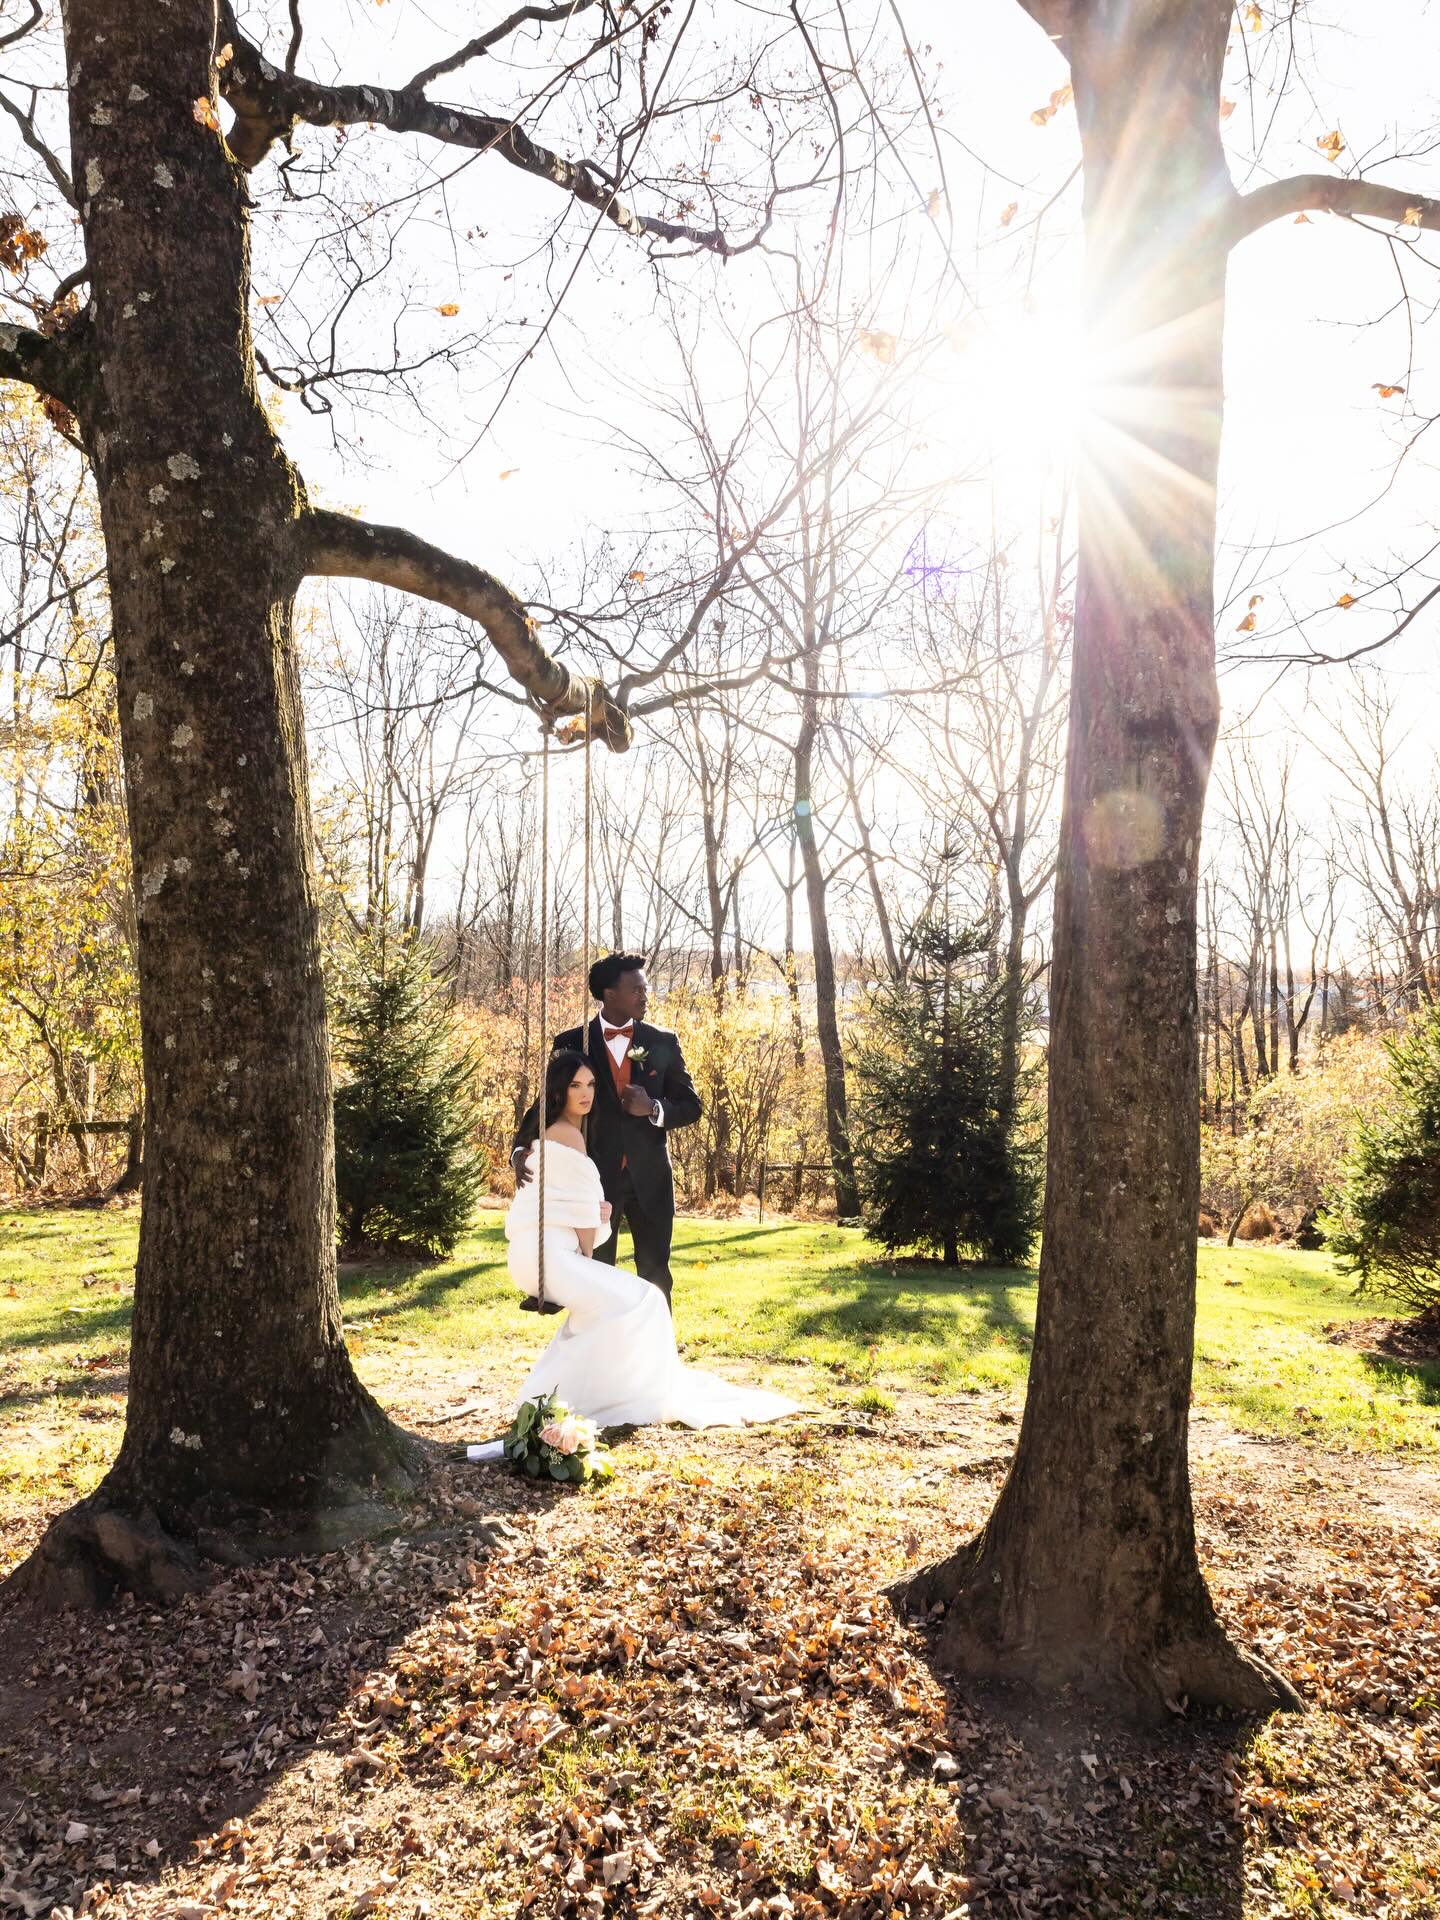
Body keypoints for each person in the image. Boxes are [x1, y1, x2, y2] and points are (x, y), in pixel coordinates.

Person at [507, 1051, 801, 1428]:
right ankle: (623, 1394)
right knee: (646, 1301)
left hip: (533, 1255)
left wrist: (595, 1214)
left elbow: (566, 1203)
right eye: (575, 1086)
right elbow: (583, 1220)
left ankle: (560, 1395)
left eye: (591, 1085)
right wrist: (591, 1238)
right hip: (554, 1259)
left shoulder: (548, 1135)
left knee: (611, 1309)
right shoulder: (568, 1136)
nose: (586, 1094)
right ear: (559, 1092)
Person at [512, 953, 699, 1308]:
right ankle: (596, 1355)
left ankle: (656, 1358)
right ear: (610, 994)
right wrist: (520, 1149)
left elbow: (692, 1106)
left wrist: (654, 1109)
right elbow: (547, 1104)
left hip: (651, 1180)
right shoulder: (572, 1042)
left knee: (657, 1273)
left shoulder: (663, 1042)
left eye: (645, 989)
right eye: (637, 990)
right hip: (594, 1184)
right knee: (593, 1277)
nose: (645, 997)